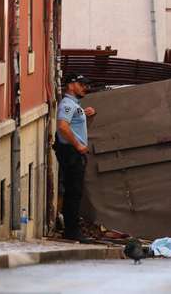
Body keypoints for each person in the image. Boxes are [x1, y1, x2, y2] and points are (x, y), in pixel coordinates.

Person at [55, 73, 96, 242]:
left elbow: (75, 125)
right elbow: (62, 127)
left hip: (74, 152)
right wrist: (78, 145)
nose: (84, 88)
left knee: (75, 191)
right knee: (73, 192)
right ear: (71, 85)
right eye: (81, 84)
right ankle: (72, 231)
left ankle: (72, 229)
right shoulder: (67, 104)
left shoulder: (74, 105)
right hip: (71, 153)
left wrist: (86, 115)